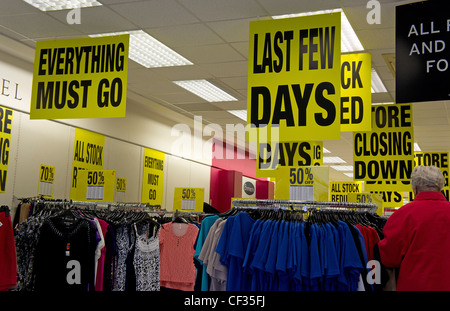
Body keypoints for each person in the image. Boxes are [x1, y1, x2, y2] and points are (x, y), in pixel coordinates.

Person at [377, 165, 450, 291]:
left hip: (414, 285)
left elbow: (389, 258)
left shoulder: (401, 215)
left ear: (414, 189)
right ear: (441, 186)